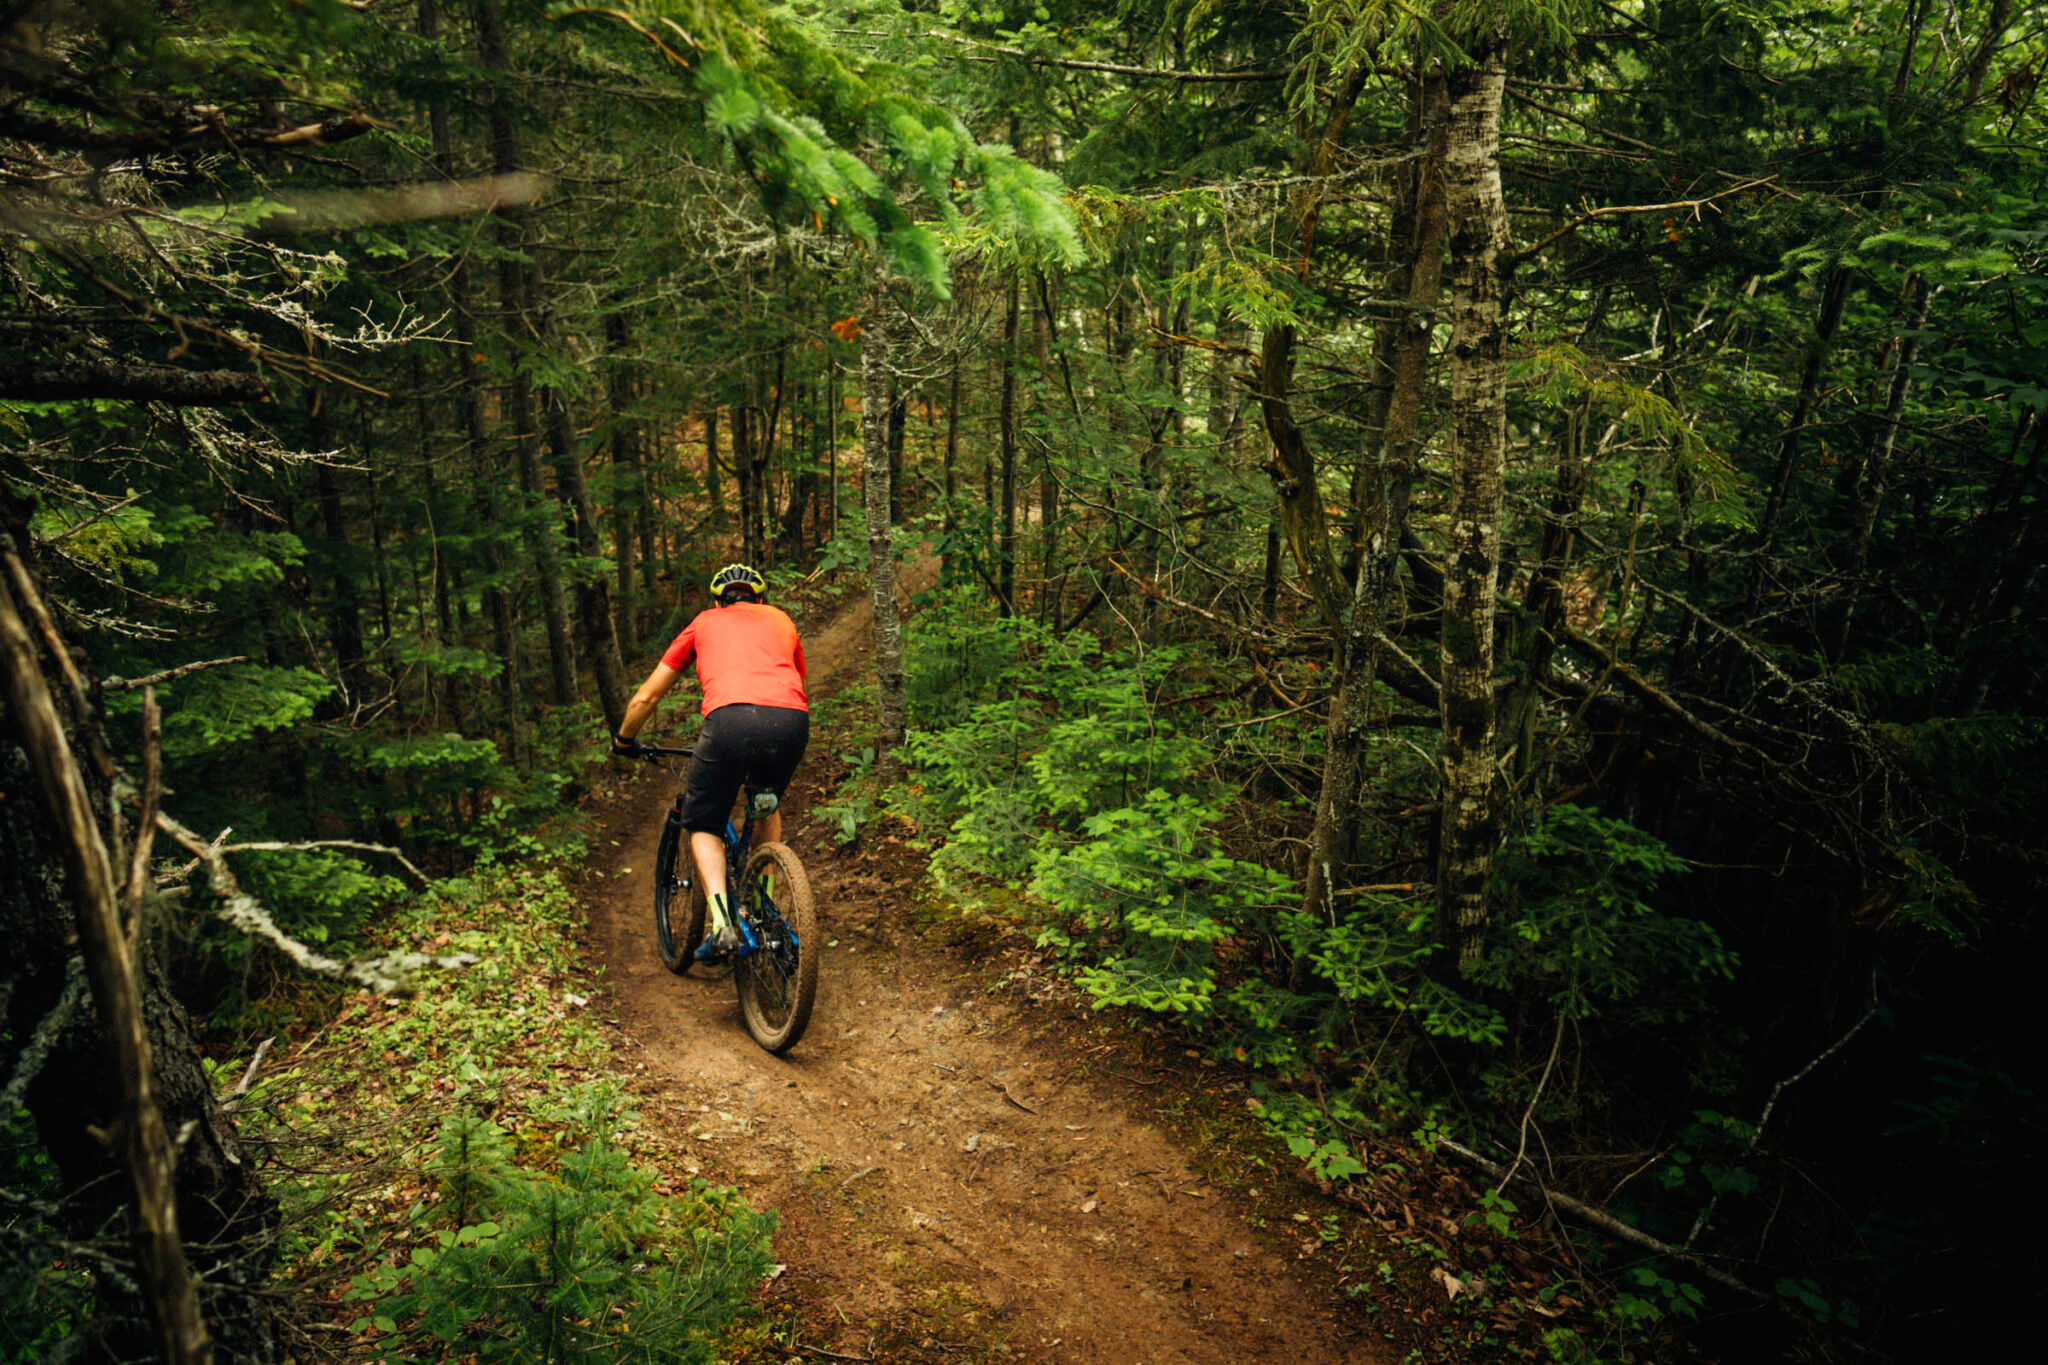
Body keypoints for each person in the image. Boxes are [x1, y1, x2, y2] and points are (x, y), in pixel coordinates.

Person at [610, 563, 809, 962]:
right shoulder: (782, 620)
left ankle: (721, 926)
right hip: (790, 720)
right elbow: (797, 678)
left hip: (730, 722)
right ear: (761, 600)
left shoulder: (703, 622)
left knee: (702, 824)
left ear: (718, 602)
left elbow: (647, 697)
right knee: (766, 802)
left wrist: (624, 740)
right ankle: (762, 908)